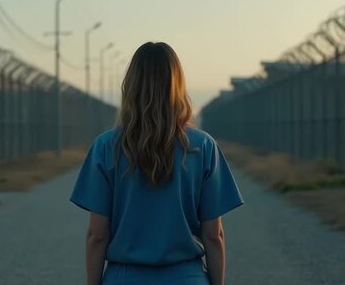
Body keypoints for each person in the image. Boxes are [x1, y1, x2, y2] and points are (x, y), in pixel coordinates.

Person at [70, 42, 244, 285]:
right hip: (187, 277)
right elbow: (214, 235)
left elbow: (97, 235)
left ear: (130, 86)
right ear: (177, 85)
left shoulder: (106, 146)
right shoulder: (202, 146)